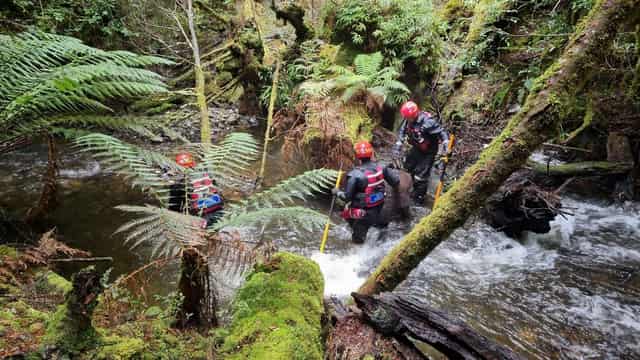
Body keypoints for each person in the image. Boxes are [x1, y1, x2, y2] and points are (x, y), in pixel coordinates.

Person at [333, 141, 400, 244]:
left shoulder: (354, 175)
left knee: (357, 240)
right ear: (371, 153)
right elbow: (395, 181)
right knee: (380, 231)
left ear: (357, 156)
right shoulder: (382, 167)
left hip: (363, 214)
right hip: (380, 209)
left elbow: (347, 197)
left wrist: (337, 192)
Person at [392, 101, 449, 204]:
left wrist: (446, 142)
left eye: (407, 117)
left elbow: (441, 132)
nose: (406, 119)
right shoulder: (408, 120)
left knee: (421, 176)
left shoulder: (428, 122)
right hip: (417, 148)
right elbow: (402, 131)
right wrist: (398, 145)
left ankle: (419, 198)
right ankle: (409, 189)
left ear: (413, 115)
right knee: (407, 168)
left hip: (428, 152)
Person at [169, 152, 224, 227]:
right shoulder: (207, 173)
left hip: (200, 218)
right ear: (194, 164)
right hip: (220, 211)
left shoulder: (179, 184)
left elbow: (173, 210)